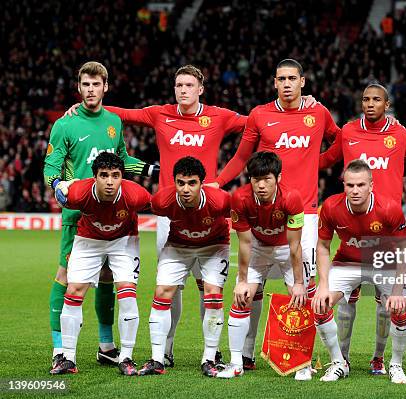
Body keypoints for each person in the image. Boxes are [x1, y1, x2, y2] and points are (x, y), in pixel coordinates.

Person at [66, 65, 316, 367]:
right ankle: (166, 351)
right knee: (171, 284)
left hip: (209, 210)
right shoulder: (159, 113)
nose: (182, 90)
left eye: (188, 85)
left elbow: (261, 120)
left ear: (200, 89)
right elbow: (125, 113)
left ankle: (211, 352)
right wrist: (88, 106)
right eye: (178, 85)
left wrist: (299, 106)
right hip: (170, 213)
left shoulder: (219, 116)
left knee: (208, 286)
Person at [213, 58, 341, 380]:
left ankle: (304, 359)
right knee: (251, 289)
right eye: (281, 78)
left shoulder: (318, 113)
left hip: (305, 212)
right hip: (261, 209)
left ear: (303, 81)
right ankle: (244, 355)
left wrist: (316, 162)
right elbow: (242, 157)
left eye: (292, 78)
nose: (286, 83)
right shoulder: (260, 114)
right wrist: (217, 182)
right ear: (274, 83)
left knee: (304, 290)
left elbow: (341, 143)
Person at [44, 61, 155, 370]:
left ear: (105, 87)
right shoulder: (65, 124)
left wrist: (147, 168)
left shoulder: (113, 122)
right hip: (77, 213)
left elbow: (119, 159)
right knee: (65, 277)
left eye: (96, 84)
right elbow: (51, 164)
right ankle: (59, 349)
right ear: (78, 88)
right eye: (85, 85)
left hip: (113, 214)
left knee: (108, 278)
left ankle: (106, 346)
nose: (90, 90)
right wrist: (56, 186)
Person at [318, 83, 406, 373]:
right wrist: (293, 164)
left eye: (376, 99)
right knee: (345, 301)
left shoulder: (401, 135)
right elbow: (327, 159)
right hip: (352, 232)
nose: (370, 103)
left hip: (387, 232)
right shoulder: (349, 131)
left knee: (386, 305)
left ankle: (379, 358)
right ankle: (342, 359)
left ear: (387, 104)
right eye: (365, 98)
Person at [49, 152, 151, 375]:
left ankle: (126, 357)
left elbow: (162, 206)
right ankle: (68, 357)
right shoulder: (78, 193)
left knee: (127, 291)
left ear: (122, 177)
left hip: (123, 241)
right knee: (74, 290)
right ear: (94, 176)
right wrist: (60, 187)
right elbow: (60, 194)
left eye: (115, 176)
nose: (110, 181)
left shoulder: (136, 195)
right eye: (104, 175)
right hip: (89, 240)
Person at [313, 160, 406, 384]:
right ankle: (339, 363)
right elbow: (323, 247)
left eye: (360, 185)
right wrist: (323, 284)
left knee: (400, 308)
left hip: (385, 262)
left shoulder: (388, 208)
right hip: (347, 262)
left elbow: (405, 249)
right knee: (319, 304)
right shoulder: (330, 206)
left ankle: (392, 363)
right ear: (343, 185)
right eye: (350, 185)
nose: (355, 190)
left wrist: (397, 290)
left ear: (371, 185)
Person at [216, 151, 308, 379]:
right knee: (241, 298)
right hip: (257, 248)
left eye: (267, 178)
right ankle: (236, 362)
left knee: (299, 299)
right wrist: (243, 281)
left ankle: (302, 364)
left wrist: (298, 283)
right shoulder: (240, 198)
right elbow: (245, 243)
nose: (261, 185)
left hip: (287, 249)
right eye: (256, 179)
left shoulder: (292, 198)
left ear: (278, 177)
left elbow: (296, 246)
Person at [138, 156, 231, 377]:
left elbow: (243, 221)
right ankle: (157, 358)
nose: (186, 189)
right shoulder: (162, 201)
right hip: (178, 246)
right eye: (181, 183)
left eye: (192, 183)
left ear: (202, 183)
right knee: (162, 292)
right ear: (175, 182)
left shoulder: (220, 200)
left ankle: (210, 358)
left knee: (212, 293)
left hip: (214, 246)